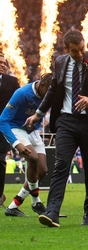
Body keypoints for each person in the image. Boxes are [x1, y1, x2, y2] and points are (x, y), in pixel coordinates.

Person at [25, 30, 88, 227]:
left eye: (82, 49)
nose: (80, 54)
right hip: (66, 121)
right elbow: (53, 89)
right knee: (61, 165)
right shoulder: (60, 62)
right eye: (75, 51)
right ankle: (52, 213)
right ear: (66, 49)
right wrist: (38, 114)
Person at [0, 74, 52, 217]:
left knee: (42, 170)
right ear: (41, 85)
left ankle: (13, 206)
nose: (50, 96)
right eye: (48, 91)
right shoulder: (22, 94)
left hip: (31, 129)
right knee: (33, 158)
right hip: (15, 127)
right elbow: (2, 120)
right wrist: (16, 143)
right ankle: (36, 202)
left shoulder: (48, 94)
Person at [0, 54, 21, 209]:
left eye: (4, 63)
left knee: (0, 160)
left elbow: (20, 101)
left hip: (3, 127)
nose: (2, 65)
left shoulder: (12, 82)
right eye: (0, 62)